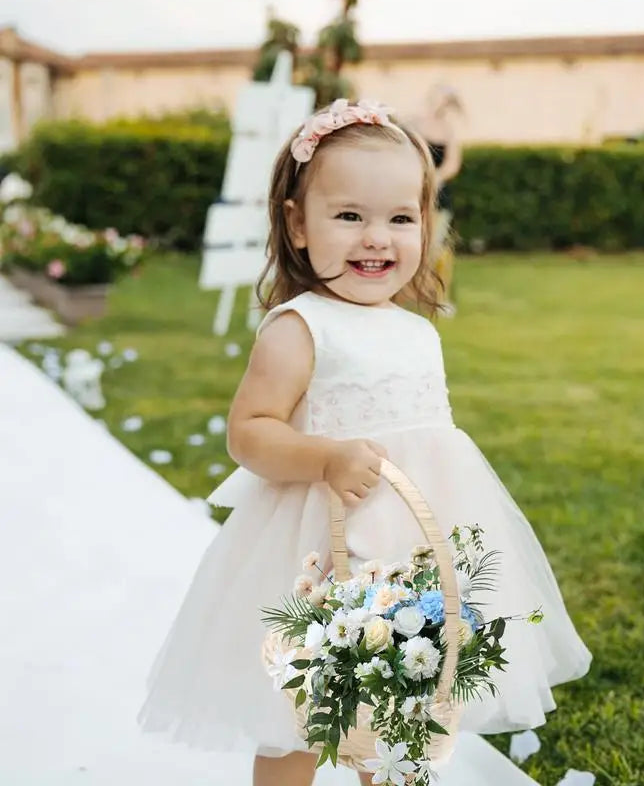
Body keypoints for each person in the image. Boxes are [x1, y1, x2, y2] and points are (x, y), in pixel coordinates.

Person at [138, 98, 591, 786]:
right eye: (349, 216)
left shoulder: (418, 332)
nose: (376, 238)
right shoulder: (301, 326)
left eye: (400, 219)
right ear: (297, 224)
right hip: (322, 551)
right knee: (299, 708)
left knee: (402, 704)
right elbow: (249, 433)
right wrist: (324, 456)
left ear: (425, 226)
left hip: (412, 551)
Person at [409, 84, 464, 315]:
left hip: (438, 198)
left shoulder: (448, 131)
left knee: (436, 248)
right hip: (413, 194)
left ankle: (436, 297)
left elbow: (452, 163)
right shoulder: (413, 124)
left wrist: (437, 178)